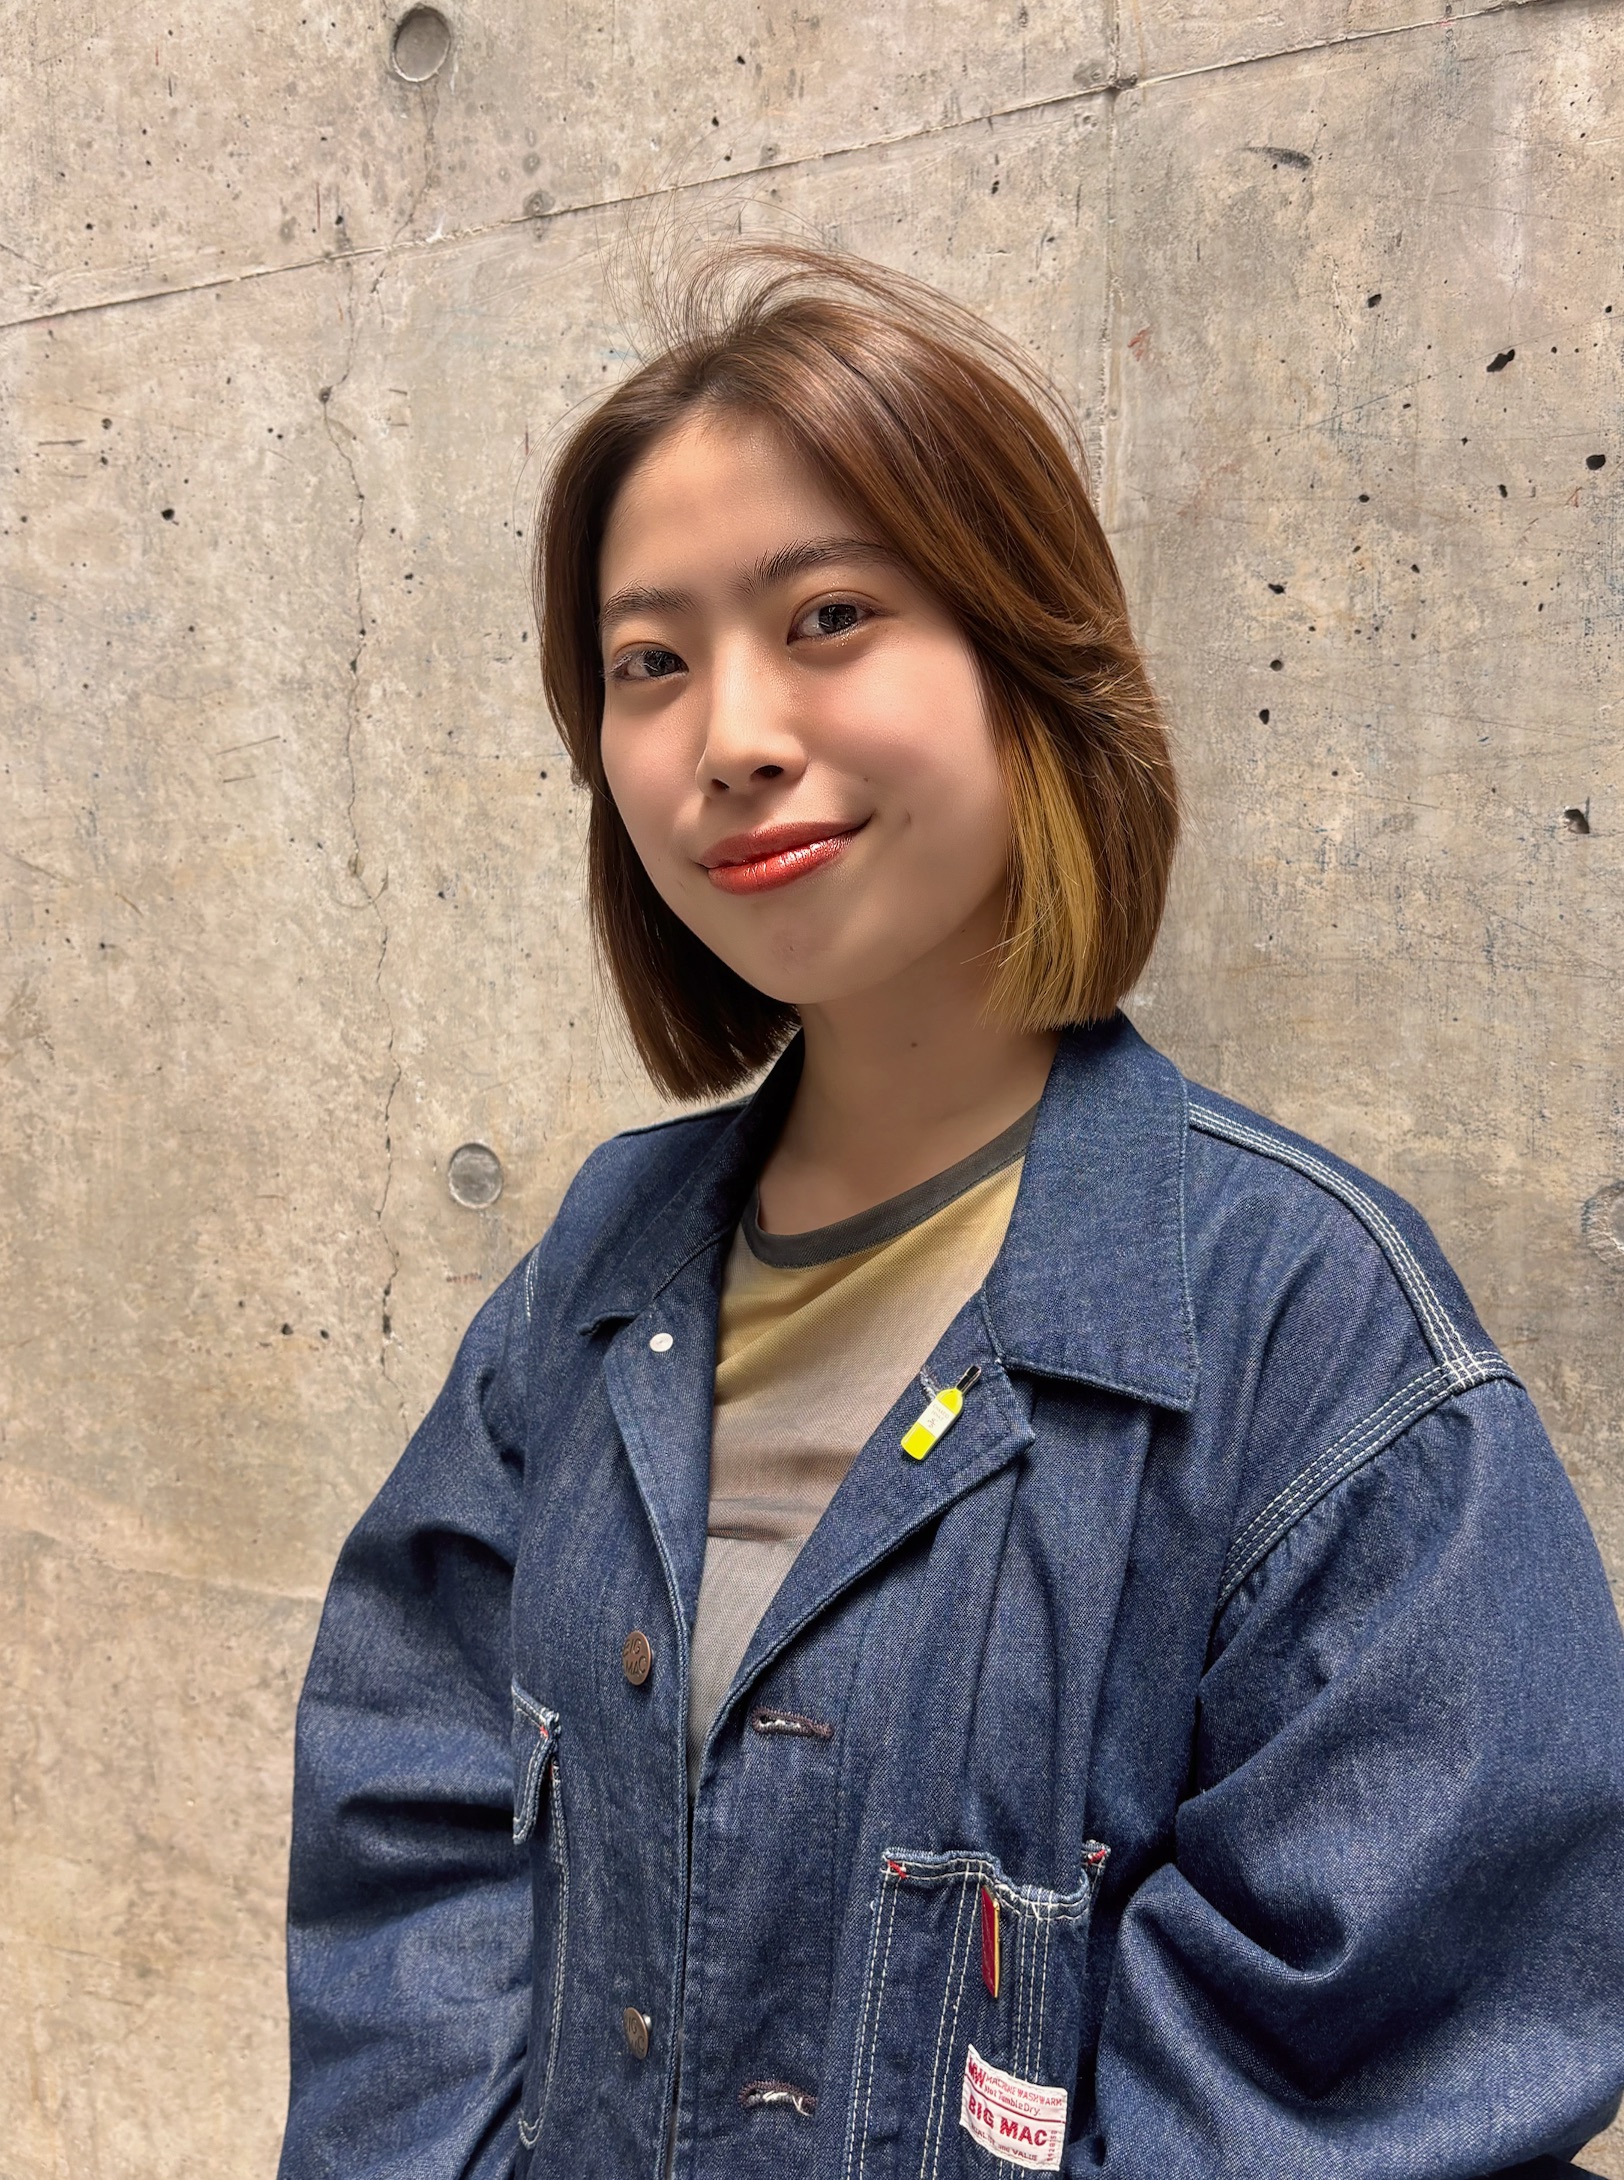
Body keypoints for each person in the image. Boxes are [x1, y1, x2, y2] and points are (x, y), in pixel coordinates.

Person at [276, 244, 1624, 2180]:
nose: (729, 734)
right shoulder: (598, 1267)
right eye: (650, 662)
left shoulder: (1307, 1330)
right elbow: (411, 1841)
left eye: (827, 615)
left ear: (1025, 654)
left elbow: (1373, 2074)